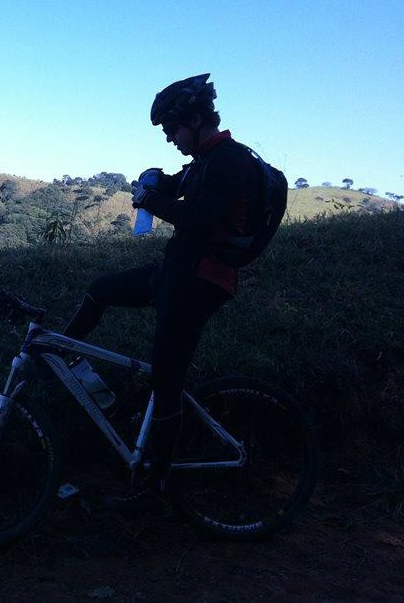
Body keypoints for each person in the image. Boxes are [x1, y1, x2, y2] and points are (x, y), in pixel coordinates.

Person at [63, 73, 266, 507]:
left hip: (203, 281)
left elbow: (197, 218)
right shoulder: (203, 162)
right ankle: (61, 353)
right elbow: (179, 188)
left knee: (166, 378)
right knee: (100, 290)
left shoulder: (230, 161)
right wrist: (156, 180)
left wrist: (151, 202)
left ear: (195, 119)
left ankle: (155, 484)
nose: (170, 138)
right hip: (178, 272)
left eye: (172, 130)